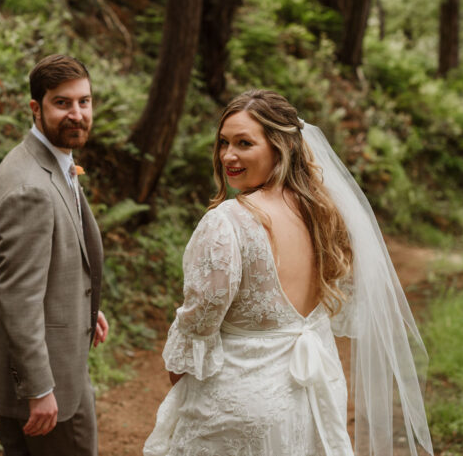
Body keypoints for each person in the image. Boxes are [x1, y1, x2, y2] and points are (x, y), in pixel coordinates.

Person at [144, 90, 433, 456]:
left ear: (281, 148)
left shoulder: (227, 222)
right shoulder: (324, 214)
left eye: (244, 143)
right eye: (224, 142)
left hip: (241, 404)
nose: (228, 155)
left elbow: (200, 320)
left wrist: (181, 376)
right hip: (315, 395)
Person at [0, 54, 109, 456]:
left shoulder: (48, 160)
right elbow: (18, 297)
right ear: (36, 108)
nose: (77, 113)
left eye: (84, 101)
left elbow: (52, 259)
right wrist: (40, 388)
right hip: (46, 382)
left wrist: (83, 307)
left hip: (44, 358)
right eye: (62, 103)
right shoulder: (30, 189)